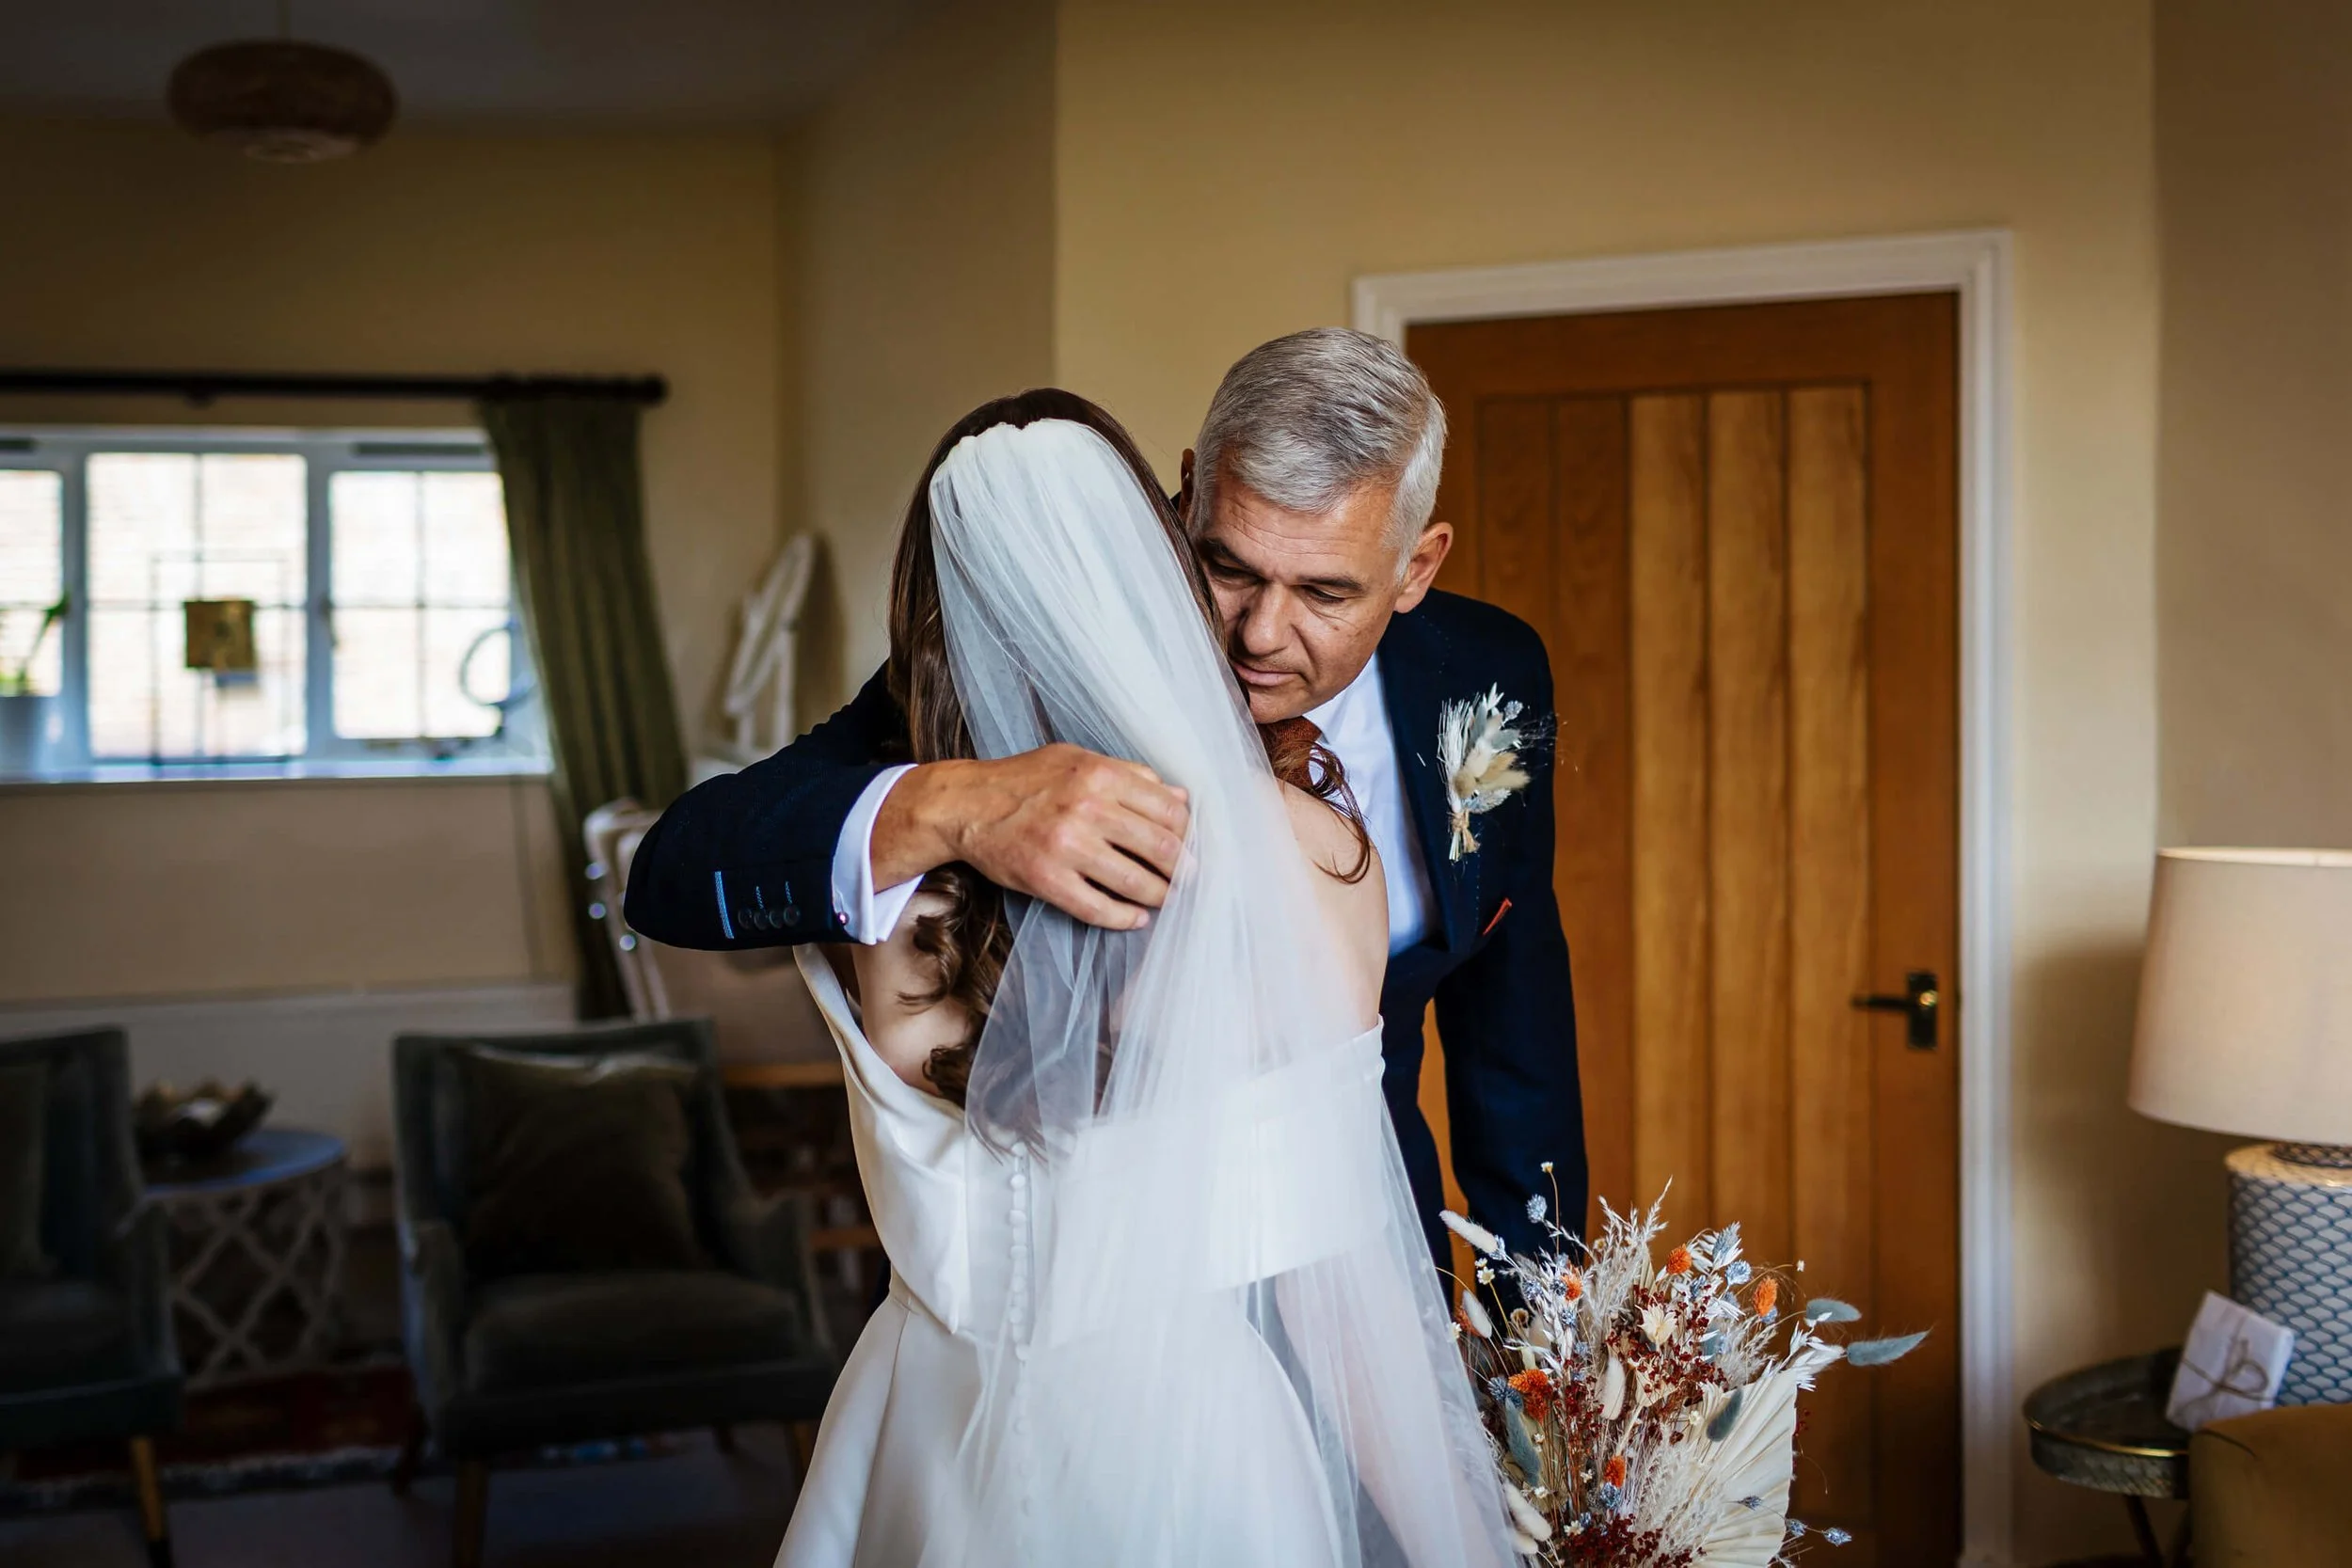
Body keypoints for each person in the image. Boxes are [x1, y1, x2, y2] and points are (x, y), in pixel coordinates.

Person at [625, 326, 1584, 1270]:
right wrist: (960, 802)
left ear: (1416, 567)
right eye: (1227, 567)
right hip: (1101, 1268)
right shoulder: (1024, 665)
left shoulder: (1487, 675)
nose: (1259, 633)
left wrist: (1540, 1322)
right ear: (1182, 497)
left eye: (1325, 592)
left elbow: (1511, 1013)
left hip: (1375, 1245)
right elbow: (672, 869)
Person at [771, 392, 1513, 1567]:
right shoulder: (1303, 854)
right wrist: (1454, 1541)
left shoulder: (887, 875)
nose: (1264, 629)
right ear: (1157, 576)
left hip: (921, 1414)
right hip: (1196, 1428)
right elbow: (1327, 1273)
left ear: (929, 609)